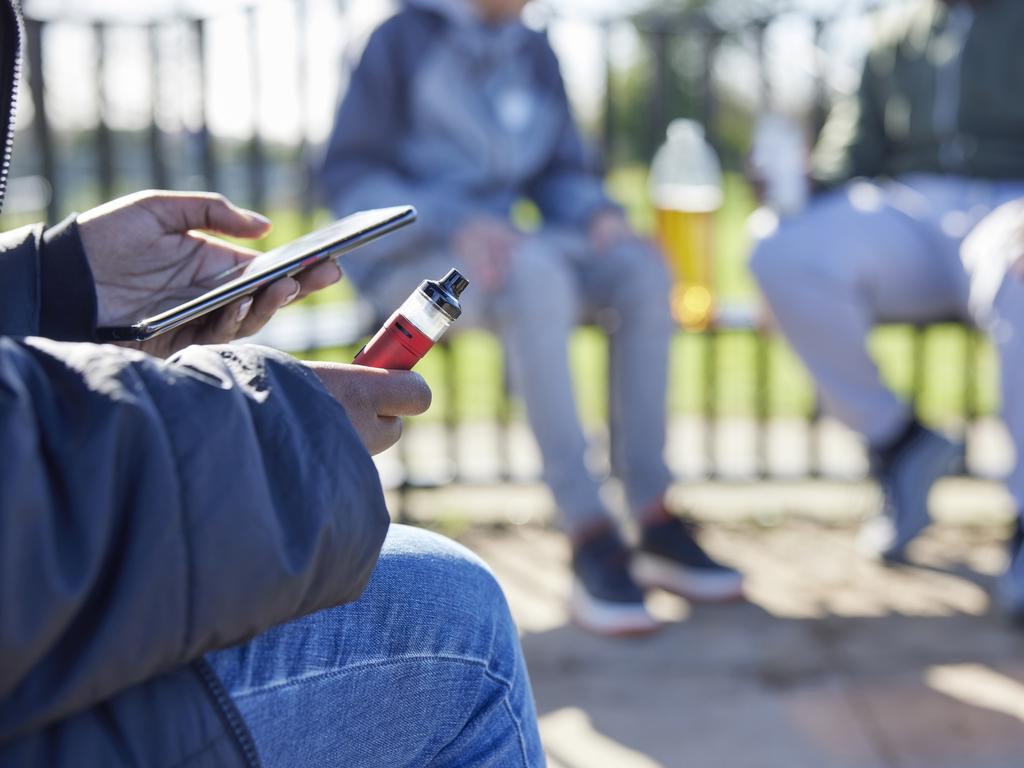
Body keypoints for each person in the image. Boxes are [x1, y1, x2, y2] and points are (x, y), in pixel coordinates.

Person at [0, 2, 544, 765]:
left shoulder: (533, 48)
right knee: (453, 623)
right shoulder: (404, 41)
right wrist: (283, 430)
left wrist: (51, 285)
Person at [320, 0, 743, 637]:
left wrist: (597, 214)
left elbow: (561, 175)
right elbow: (349, 179)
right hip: (415, 258)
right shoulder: (398, 39)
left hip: (513, 249)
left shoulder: (534, 50)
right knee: (538, 272)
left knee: (640, 268)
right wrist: (456, 218)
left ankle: (652, 514)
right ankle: (588, 531)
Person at [748, 0, 1024, 613]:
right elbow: (853, 151)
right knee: (781, 248)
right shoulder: (894, 28)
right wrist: (801, 184)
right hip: (910, 207)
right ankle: (901, 443)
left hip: (1014, 206)